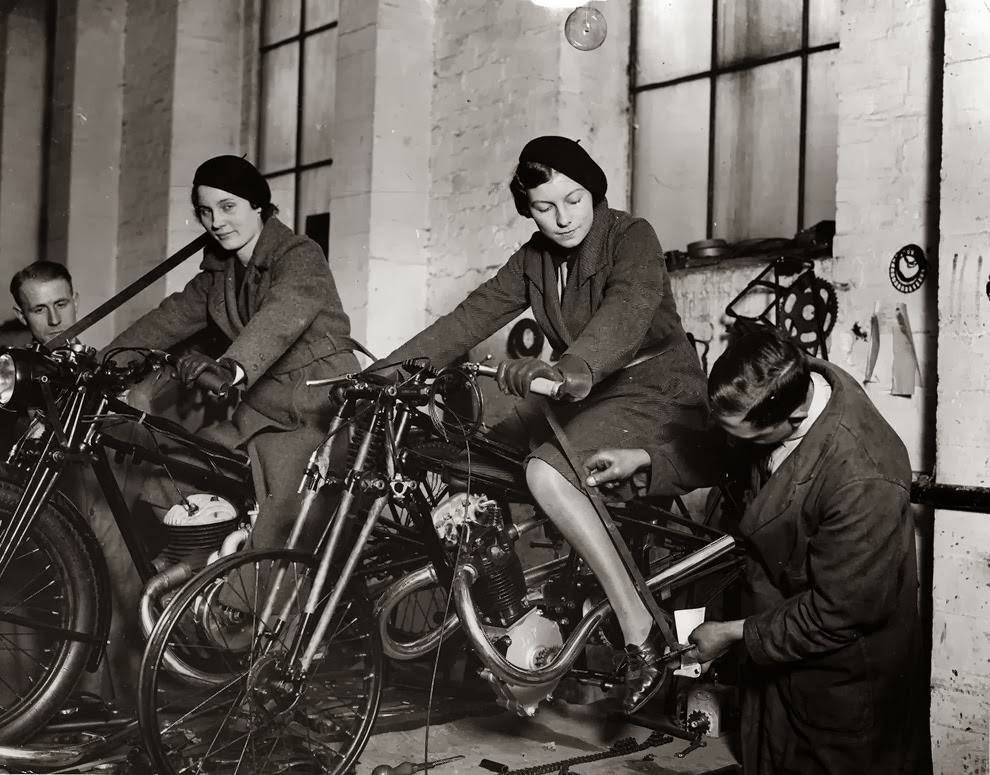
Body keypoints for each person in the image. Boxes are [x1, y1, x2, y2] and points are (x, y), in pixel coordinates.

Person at [376, 135, 718, 713]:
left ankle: (642, 635)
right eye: (543, 207)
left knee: (546, 473)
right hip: (583, 391)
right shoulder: (533, 259)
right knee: (468, 450)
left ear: (595, 193)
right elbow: (468, 318)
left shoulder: (630, 236)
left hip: (655, 390)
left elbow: (627, 309)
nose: (561, 219)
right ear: (527, 210)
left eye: (574, 200)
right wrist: (385, 375)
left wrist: (572, 368)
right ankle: (506, 614)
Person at [587, 326, 924, 774]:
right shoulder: (787, 383)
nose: (736, 445)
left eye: (747, 437)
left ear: (794, 418)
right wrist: (645, 460)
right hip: (777, 664)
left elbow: (838, 614)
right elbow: (728, 450)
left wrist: (733, 635)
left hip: (843, 678)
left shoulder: (864, 476)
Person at [106, 154, 360, 549]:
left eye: (228, 207)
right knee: (168, 480)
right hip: (259, 411)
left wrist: (231, 367)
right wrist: (101, 361)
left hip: (317, 410)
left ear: (258, 205)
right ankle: (207, 580)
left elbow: (280, 317)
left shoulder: (298, 254)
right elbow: (165, 321)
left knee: (281, 528)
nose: (216, 222)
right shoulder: (220, 275)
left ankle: (266, 604)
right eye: (205, 211)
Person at [9, 260, 79, 346]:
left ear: (75, 302)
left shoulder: (98, 359)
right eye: (39, 310)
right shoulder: (12, 359)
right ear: (22, 316)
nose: (54, 321)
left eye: (61, 305)